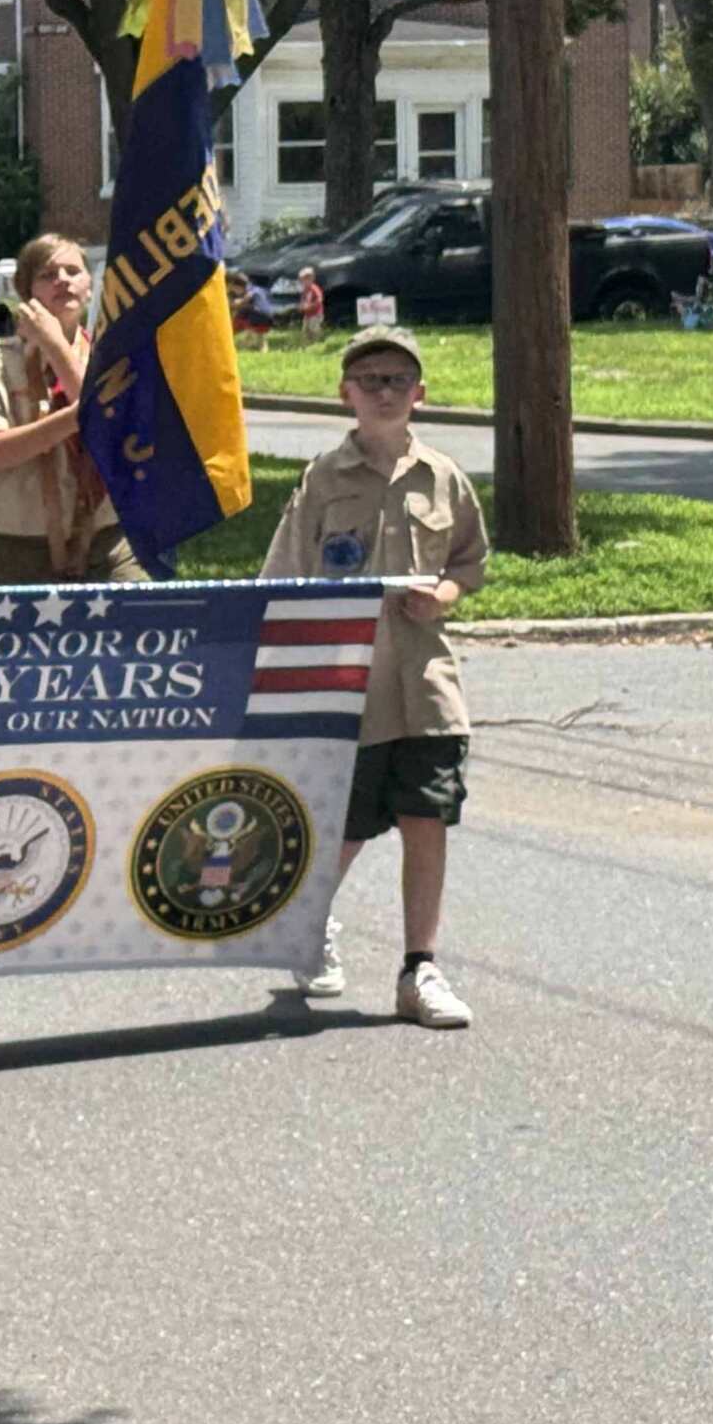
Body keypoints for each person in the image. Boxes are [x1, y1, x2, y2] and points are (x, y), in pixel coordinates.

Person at [258, 326, 489, 1029]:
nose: (384, 392)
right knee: (345, 827)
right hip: (347, 689)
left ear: (420, 394)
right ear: (345, 394)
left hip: (426, 686)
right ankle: (308, 925)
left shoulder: (442, 477)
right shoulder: (322, 481)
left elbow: (469, 561)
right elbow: (282, 578)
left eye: (397, 380)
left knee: (427, 818)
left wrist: (444, 594)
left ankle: (420, 969)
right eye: (369, 381)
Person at [0, 232, 146, 585]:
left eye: (73, 271)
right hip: (20, 549)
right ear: (26, 292)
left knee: (139, 617)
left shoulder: (115, 360)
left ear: (89, 287)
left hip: (108, 541)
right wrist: (76, 418)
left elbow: (120, 438)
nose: (62, 280)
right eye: (47, 274)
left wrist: (55, 345)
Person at [234, 273, 277, 351]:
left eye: (235, 289)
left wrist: (238, 302)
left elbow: (244, 300)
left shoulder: (250, 291)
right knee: (260, 335)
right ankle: (261, 348)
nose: (235, 292)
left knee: (241, 315)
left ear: (239, 287)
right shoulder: (259, 289)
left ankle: (243, 343)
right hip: (270, 318)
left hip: (258, 317)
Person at [295, 265, 326, 344]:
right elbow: (303, 300)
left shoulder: (314, 288)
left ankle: (317, 342)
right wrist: (301, 306)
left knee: (314, 329)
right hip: (307, 314)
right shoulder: (305, 290)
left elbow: (319, 300)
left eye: (306, 280)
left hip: (316, 314)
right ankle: (307, 343)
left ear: (312, 279)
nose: (304, 282)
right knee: (305, 329)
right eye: (302, 281)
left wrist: (311, 306)